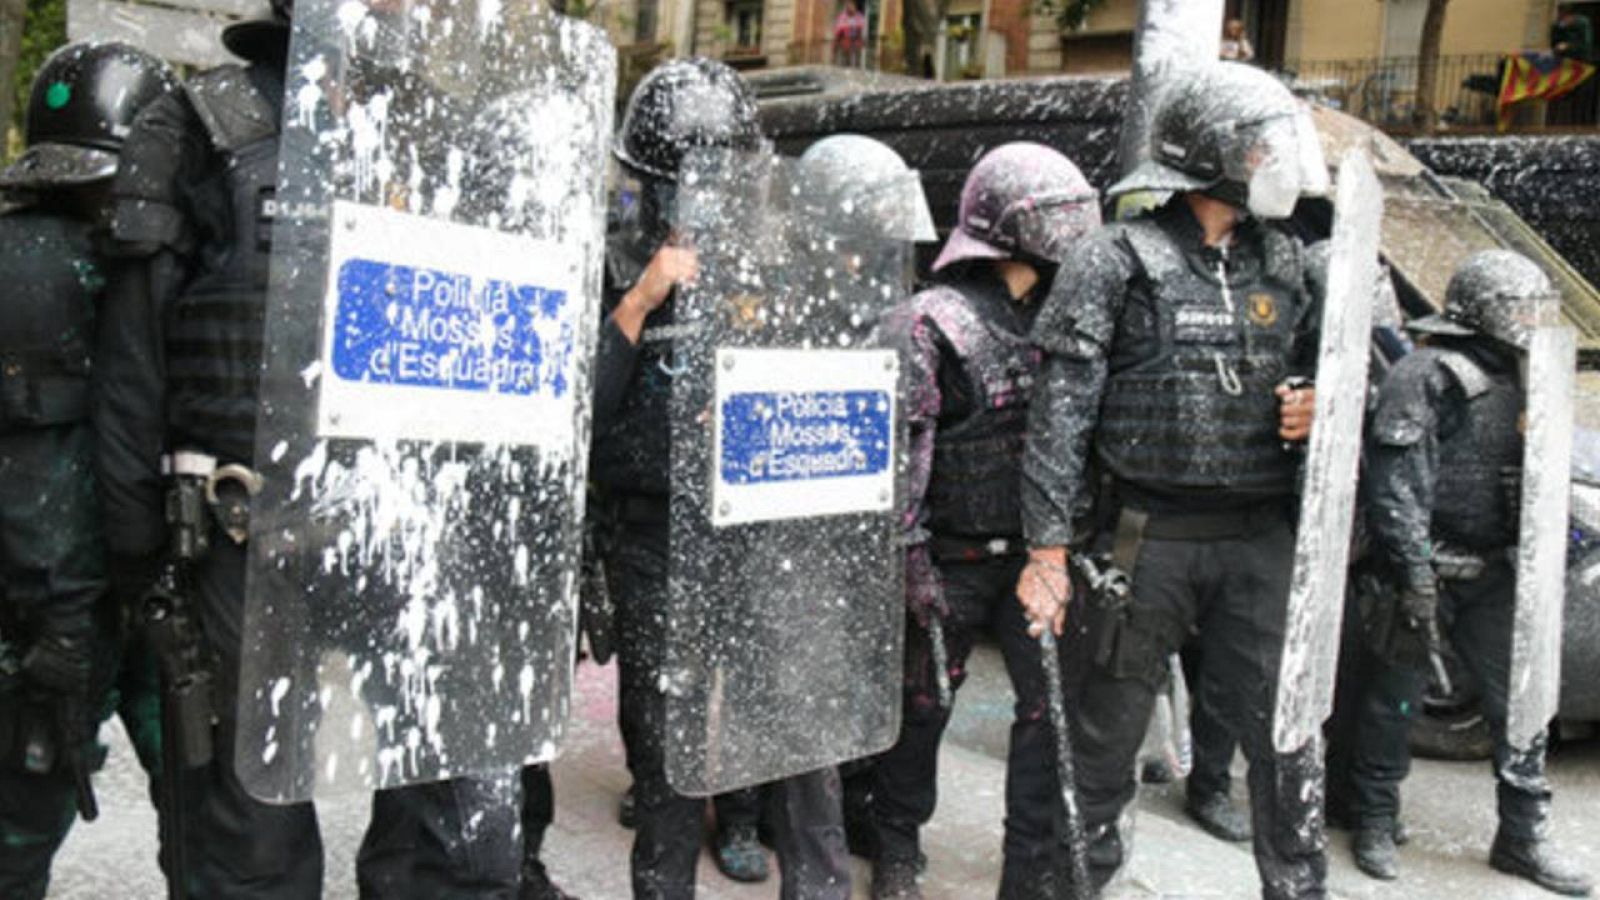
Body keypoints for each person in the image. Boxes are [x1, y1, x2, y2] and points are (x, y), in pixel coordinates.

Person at [96, 2, 529, 895]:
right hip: (244, 532)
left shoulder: (434, 143)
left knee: (443, 828)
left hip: (407, 529)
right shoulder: (196, 125)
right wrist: (140, 558)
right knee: (250, 838)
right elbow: (131, 365)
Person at [1017, 60, 1329, 898]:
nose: (1279, 161)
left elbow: (1335, 386)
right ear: (1214, 153)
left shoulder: (1294, 264)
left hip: (1260, 539)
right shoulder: (1114, 259)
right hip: (1143, 544)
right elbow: (1059, 417)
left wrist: (1314, 413)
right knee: (1102, 751)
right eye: (1264, 145)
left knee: (1288, 743)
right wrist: (1046, 552)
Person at [593, 56, 852, 899]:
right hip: (650, 527)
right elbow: (580, 408)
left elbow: (821, 392)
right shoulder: (609, 257)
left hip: (757, 524)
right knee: (663, 737)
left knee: (780, 713)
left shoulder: (773, 261)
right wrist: (638, 300)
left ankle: (762, 839)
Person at [864, 142, 1099, 900]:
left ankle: (1026, 871)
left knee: (1047, 716)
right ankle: (897, 843)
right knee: (923, 706)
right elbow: (901, 462)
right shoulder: (929, 323)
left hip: (1036, 555)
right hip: (950, 557)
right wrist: (911, 560)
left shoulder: (1069, 314)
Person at [1340, 248, 1593, 897]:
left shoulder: (1531, 376)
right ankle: (1373, 818)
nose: (1530, 321)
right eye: (1518, 309)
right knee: (1394, 702)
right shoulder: (1426, 373)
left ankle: (1522, 836)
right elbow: (1398, 484)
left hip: (1494, 572)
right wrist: (1412, 573)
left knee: (1523, 703)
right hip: (1419, 566)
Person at [0, 41, 179, 900]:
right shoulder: (43, 267)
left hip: (114, 590)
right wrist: (67, 618)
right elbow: (40, 465)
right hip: (78, 596)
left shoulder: (112, 252)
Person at [833, 0, 868, 67]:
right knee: (843, 61)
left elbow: (861, 25)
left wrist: (849, 26)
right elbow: (838, 28)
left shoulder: (859, 16)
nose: (849, 7)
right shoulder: (842, 16)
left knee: (854, 61)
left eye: (851, 5)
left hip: (855, 42)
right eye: (847, 5)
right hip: (844, 42)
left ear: (855, 7)